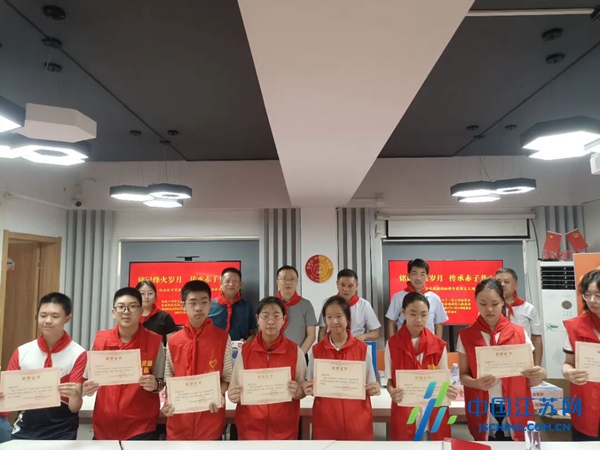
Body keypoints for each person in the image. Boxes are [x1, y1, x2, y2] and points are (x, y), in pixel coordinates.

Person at [457, 279, 546, 442]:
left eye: (495, 303)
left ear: (503, 302)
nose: (489, 309)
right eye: (483, 304)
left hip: (515, 403)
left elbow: (529, 377)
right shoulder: (466, 335)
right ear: (475, 302)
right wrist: (476, 383)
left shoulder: (519, 333)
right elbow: (463, 375)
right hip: (483, 404)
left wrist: (540, 375)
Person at [0, 293, 86, 440]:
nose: (48, 321)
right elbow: (6, 404)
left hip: (62, 431)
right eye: (43, 315)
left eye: (55, 316)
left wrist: (75, 396)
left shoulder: (78, 353)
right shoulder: (22, 352)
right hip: (25, 428)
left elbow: (74, 407)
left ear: (67, 319)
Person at [83, 287, 165, 441]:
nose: (126, 312)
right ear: (113, 312)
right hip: (104, 425)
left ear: (141, 311)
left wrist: (155, 385)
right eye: (121, 307)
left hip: (141, 427)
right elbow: (88, 380)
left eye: (132, 306)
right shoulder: (100, 341)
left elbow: (161, 381)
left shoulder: (154, 342)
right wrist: (87, 388)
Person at [161, 280, 233, 440]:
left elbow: (228, 377)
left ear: (210, 304)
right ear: (183, 305)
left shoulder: (222, 338)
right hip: (179, 421)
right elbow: (169, 377)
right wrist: (168, 400)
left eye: (204, 302)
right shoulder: (174, 341)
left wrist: (219, 393)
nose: (198, 308)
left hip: (210, 418)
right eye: (192, 303)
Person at [228, 297, 306, 440]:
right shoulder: (245, 351)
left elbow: (302, 388)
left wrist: (299, 392)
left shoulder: (295, 351)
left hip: (285, 432)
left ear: (284, 319)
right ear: (257, 319)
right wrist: (233, 395)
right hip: (250, 431)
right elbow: (234, 389)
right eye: (265, 316)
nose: (270, 321)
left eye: (276, 316)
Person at [304, 296, 379, 440]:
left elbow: (371, 383)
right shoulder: (317, 350)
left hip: (357, 424)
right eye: (329, 317)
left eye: (339, 316)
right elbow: (310, 384)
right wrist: (308, 388)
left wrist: (373, 388)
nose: (334, 321)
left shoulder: (362, 349)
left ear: (348, 319)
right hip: (326, 423)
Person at [385, 292, 457, 441]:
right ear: (403, 313)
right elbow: (390, 381)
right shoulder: (392, 344)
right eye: (413, 314)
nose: (419, 320)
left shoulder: (438, 345)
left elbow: (444, 380)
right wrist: (392, 391)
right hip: (405, 407)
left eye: (424, 315)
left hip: (432, 409)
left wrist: (450, 390)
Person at [563, 269, 600, 441]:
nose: (592, 300)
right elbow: (568, 363)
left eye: (598, 295)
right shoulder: (576, 326)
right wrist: (569, 373)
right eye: (588, 295)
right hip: (586, 402)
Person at [386, 259, 448, 339]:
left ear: (427, 276)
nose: (418, 278)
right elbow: (391, 322)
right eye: (414, 273)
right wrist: (392, 343)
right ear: (408, 275)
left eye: (422, 274)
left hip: (428, 343)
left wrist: (437, 344)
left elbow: (438, 324)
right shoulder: (397, 297)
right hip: (404, 342)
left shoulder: (434, 298)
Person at [495, 268, 543, 366]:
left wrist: (537, 365)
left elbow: (536, 338)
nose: (502, 284)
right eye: (498, 282)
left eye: (506, 282)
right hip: (497, 358)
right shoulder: (489, 309)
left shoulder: (528, 308)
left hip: (522, 358)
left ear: (516, 285)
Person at [318, 269, 381, 342]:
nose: (346, 289)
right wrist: (322, 347)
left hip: (356, 343)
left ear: (356, 286)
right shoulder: (328, 303)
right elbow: (322, 330)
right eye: (343, 285)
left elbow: (375, 333)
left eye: (350, 286)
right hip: (334, 344)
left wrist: (363, 336)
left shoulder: (364, 305)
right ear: (337, 284)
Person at [274, 265, 317, 356]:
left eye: (292, 279)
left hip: (299, 354)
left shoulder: (306, 305)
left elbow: (311, 335)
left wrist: (299, 355)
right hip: (273, 354)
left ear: (297, 282)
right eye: (284, 279)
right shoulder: (269, 304)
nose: (288, 282)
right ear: (277, 282)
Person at [209, 267, 256, 341]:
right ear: (221, 284)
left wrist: (246, 343)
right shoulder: (209, 306)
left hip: (239, 347)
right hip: (213, 347)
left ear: (240, 285)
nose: (231, 284)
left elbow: (252, 334)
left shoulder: (247, 307)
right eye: (227, 281)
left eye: (235, 281)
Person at [136, 280, 178, 345]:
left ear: (155, 296)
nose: (146, 297)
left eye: (150, 293)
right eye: (142, 293)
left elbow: (172, 346)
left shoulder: (165, 317)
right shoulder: (130, 316)